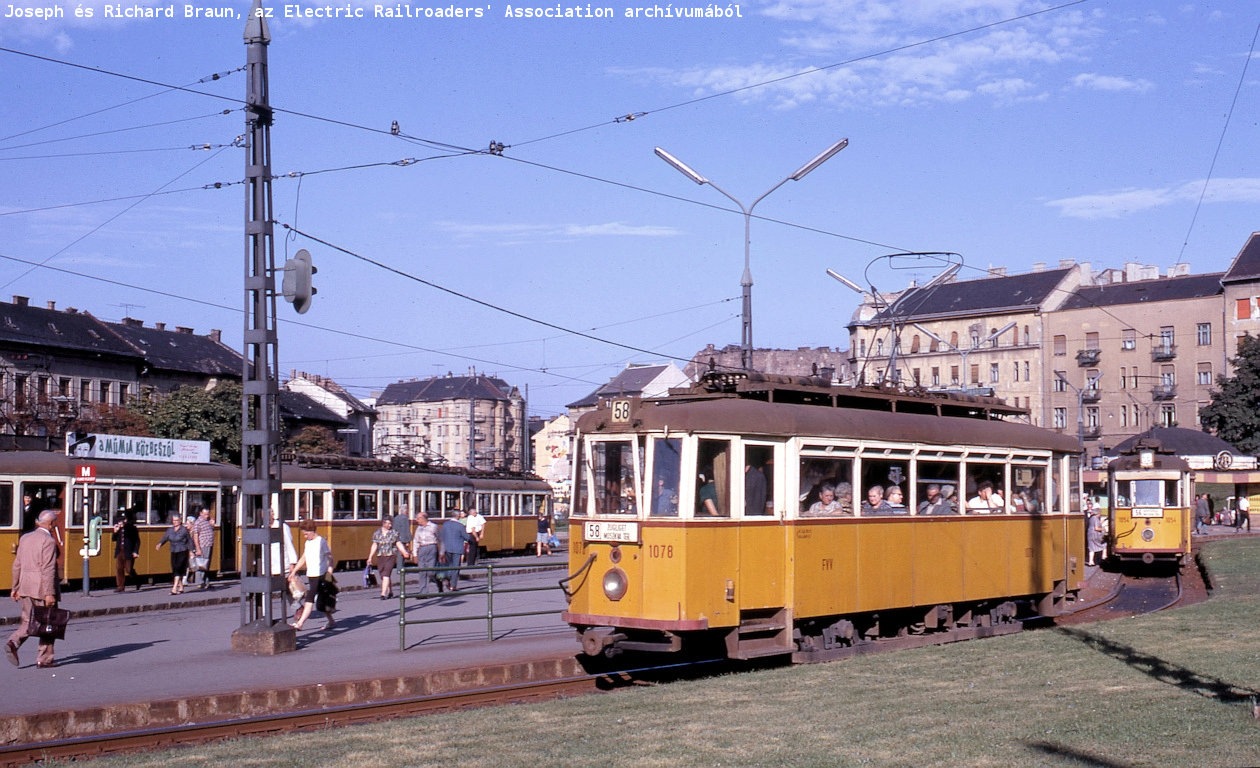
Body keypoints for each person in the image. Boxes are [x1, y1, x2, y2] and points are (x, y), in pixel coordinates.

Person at [7, 509, 61, 668]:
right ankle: (45, 659)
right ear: (51, 524)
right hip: (42, 589)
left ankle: (13, 642)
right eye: (55, 522)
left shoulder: (25, 538)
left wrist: (15, 587)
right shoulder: (48, 541)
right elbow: (48, 569)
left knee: (27, 620)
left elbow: (17, 564)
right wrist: (49, 593)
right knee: (49, 622)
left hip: (25, 586)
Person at [288, 520, 335, 631]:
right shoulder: (308, 543)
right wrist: (294, 571)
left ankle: (300, 624)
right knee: (321, 603)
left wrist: (330, 573)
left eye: (306, 533)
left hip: (321, 575)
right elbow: (303, 558)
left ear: (312, 531)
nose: (305, 536)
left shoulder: (321, 542)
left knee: (309, 600)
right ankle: (331, 621)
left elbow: (330, 558)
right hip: (312, 575)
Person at [366, 517, 408, 600]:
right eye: (388, 523)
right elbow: (375, 545)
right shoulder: (377, 533)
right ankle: (390, 591)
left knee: (386, 573)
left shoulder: (394, 533)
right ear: (383, 523)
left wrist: (404, 552)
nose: (390, 525)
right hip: (380, 556)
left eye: (391, 523)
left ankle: (383, 593)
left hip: (391, 555)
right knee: (383, 575)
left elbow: (398, 543)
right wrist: (370, 557)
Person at [155, 515, 194, 594]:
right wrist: (160, 544)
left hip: (182, 551)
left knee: (178, 568)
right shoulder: (170, 530)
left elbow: (189, 541)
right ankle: (181, 586)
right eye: (174, 520)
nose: (175, 522)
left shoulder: (184, 530)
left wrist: (191, 551)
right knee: (174, 568)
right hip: (173, 551)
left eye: (176, 520)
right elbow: (165, 537)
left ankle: (174, 588)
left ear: (180, 521)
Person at [438, 516, 475, 591]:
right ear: (458, 516)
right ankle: (453, 585)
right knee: (456, 567)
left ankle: (447, 578)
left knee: (449, 565)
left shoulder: (445, 524)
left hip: (447, 548)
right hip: (457, 549)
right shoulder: (460, 526)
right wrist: (471, 539)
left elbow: (442, 536)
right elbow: (466, 537)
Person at [410, 511, 440, 593]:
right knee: (422, 571)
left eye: (418, 518)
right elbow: (415, 541)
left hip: (431, 547)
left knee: (431, 571)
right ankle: (423, 592)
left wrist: (441, 552)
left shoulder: (433, 526)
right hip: (422, 548)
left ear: (424, 518)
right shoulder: (418, 528)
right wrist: (415, 554)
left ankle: (439, 582)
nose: (417, 520)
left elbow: (440, 539)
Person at [112, 511, 140, 592]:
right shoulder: (118, 529)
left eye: (122, 520)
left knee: (129, 569)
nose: (120, 522)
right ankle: (120, 586)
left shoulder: (132, 528)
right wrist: (115, 532)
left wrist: (135, 551)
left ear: (125, 520)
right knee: (119, 569)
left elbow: (137, 541)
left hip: (129, 551)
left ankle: (137, 580)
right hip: (120, 551)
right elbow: (113, 539)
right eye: (119, 521)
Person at [189, 507, 215, 589]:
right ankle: (200, 582)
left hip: (209, 545)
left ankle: (206, 582)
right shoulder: (198, 522)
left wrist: (212, 525)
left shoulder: (207, 521)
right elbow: (195, 536)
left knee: (206, 564)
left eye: (208, 514)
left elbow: (209, 531)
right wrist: (198, 548)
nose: (207, 516)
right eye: (205, 514)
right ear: (201, 513)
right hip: (203, 545)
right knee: (201, 563)